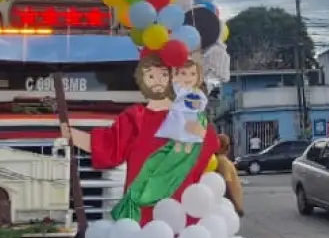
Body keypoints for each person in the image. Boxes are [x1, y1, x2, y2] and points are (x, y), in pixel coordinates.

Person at [61, 50, 219, 224]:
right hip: (142, 225)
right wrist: (71, 134)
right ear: (141, 81)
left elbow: (210, 145)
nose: (157, 81)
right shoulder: (135, 119)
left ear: (172, 78)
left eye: (163, 75)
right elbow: (106, 145)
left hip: (183, 222)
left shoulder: (194, 119)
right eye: (150, 76)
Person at [214, 134, 244, 217]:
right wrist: (237, 206)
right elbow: (226, 185)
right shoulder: (222, 161)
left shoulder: (220, 159)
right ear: (227, 146)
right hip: (230, 206)